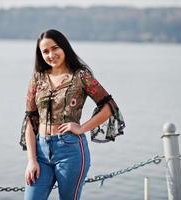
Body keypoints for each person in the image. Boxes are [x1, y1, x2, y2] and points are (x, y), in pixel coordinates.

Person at [19, 29, 125, 200]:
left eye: (55, 48)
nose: (51, 55)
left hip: (70, 151)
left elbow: (109, 107)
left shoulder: (81, 75)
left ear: (64, 48)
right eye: (45, 51)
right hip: (41, 152)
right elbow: (31, 120)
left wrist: (82, 128)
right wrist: (31, 160)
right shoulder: (37, 78)